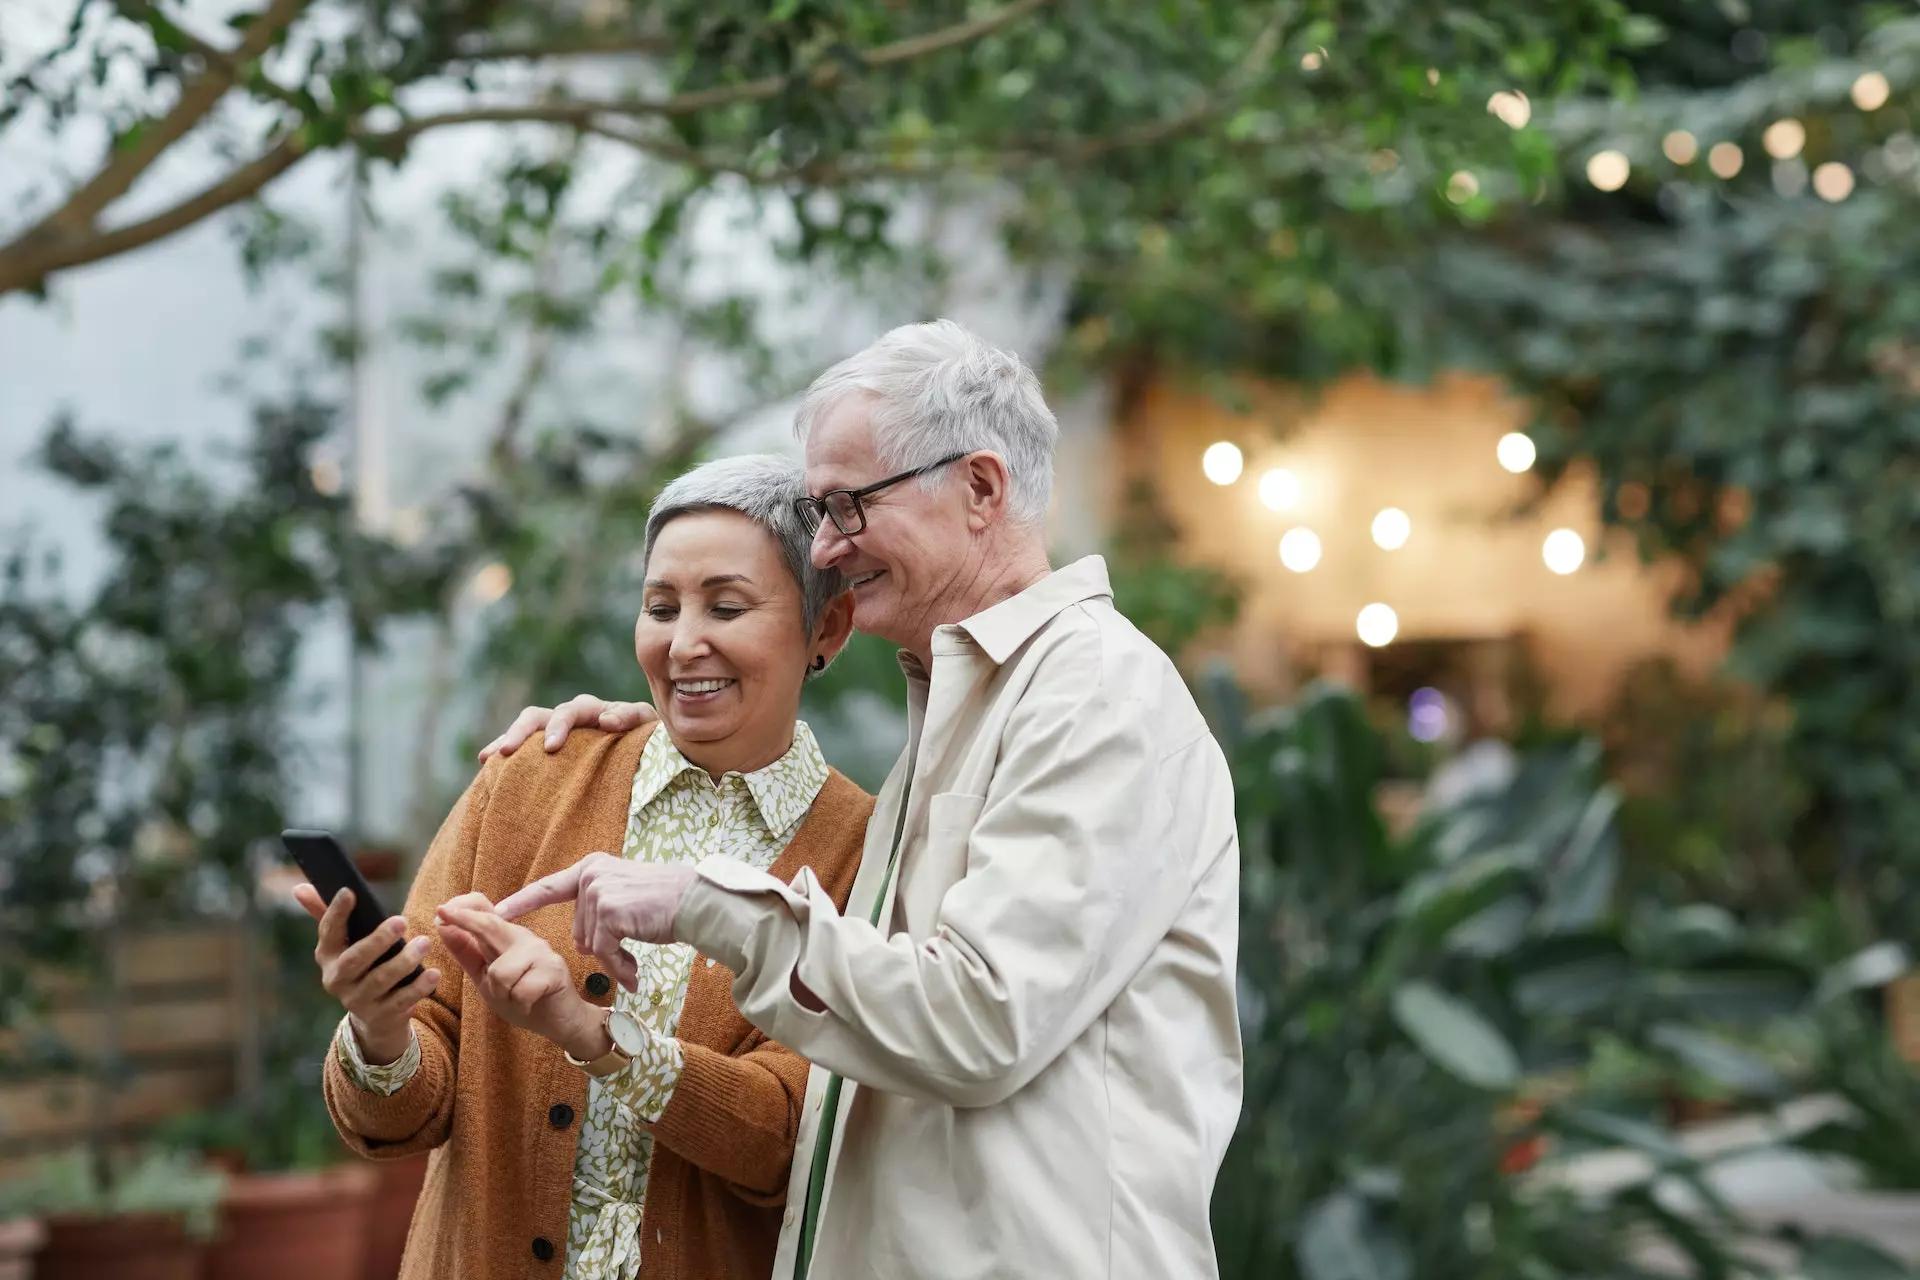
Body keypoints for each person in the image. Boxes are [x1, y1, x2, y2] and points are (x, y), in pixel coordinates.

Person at [484, 320, 1244, 1279]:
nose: (829, 551)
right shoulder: (971, 700)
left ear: (979, 487)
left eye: (847, 507)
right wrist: (661, 726)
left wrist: (695, 902)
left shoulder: (1093, 693)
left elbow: (978, 1020)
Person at [294, 455, 874, 1280]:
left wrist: (591, 1034)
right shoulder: (531, 777)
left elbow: (793, 1144)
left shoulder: (864, 851)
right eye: (660, 607)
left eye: (728, 606)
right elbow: (399, 1116)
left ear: (829, 627)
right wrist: (381, 1029)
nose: (684, 642)